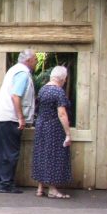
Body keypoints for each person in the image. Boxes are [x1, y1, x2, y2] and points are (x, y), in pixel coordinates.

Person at [0, 49, 37, 194]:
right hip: (10, 117)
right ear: (28, 60)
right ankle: (6, 183)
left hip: (0, 115)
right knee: (11, 152)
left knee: (0, 150)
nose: (36, 62)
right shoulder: (23, 73)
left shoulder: (13, 70)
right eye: (35, 59)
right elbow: (16, 96)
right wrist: (21, 117)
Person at [32, 66, 73, 199]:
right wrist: (68, 133)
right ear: (63, 79)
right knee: (53, 156)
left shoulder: (43, 90)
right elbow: (62, 113)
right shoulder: (58, 92)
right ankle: (52, 189)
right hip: (53, 128)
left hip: (41, 126)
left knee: (42, 155)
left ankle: (40, 188)